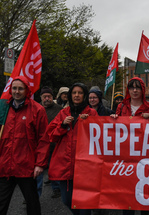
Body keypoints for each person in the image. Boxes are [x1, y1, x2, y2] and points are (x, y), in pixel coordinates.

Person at [0, 76, 50, 215]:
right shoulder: (4, 108)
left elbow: (44, 139)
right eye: (14, 88)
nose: (17, 91)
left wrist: (40, 164)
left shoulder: (37, 110)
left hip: (26, 167)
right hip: (5, 166)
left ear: (27, 90)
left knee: (32, 204)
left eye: (20, 88)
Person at [111, 77, 149, 215]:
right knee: (127, 192)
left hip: (145, 156)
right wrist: (113, 119)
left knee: (144, 192)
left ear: (143, 90)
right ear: (128, 90)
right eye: (132, 87)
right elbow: (115, 132)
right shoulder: (121, 107)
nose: (135, 90)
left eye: (138, 87)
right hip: (126, 156)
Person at [47, 83, 97, 215]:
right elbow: (51, 136)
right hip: (65, 164)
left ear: (84, 95)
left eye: (80, 93)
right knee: (66, 200)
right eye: (74, 92)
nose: (76, 95)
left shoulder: (92, 112)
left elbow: (100, 136)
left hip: (85, 166)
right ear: (70, 95)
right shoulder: (63, 113)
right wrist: (63, 125)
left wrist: (90, 122)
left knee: (85, 204)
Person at [40, 86, 63, 198]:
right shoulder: (37, 109)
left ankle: (57, 188)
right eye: (45, 96)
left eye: (49, 96)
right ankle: (33, 195)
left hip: (54, 144)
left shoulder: (59, 109)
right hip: (40, 145)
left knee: (54, 168)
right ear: (41, 97)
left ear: (53, 97)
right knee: (38, 170)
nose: (47, 98)